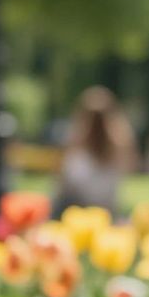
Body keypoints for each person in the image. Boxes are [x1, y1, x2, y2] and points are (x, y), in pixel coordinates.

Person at [54, 86, 138, 214]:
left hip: (76, 210)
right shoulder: (120, 144)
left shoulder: (75, 146)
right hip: (106, 210)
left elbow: (63, 182)